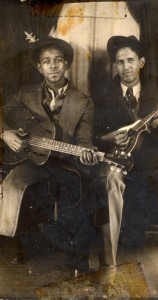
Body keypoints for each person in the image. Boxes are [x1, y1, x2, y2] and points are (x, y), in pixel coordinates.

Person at [93, 35, 158, 296]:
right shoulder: (103, 95)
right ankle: (110, 268)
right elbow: (92, 137)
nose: (126, 67)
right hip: (116, 163)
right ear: (115, 66)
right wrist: (107, 138)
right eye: (120, 62)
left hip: (149, 166)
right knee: (110, 180)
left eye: (131, 60)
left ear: (141, 62)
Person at [0, 36, 97, 270]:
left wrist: (86, 152)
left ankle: (74, 258)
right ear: (39, 67)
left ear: (66, 65)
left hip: (63, 161)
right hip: (29, 157)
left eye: (58, 61)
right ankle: (18, 242)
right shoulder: (26, 93)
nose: (53, 66)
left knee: (74, 186)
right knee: (15, 185)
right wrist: (5, 133)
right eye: (47, 61)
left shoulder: (83, 102)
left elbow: (84, 140)